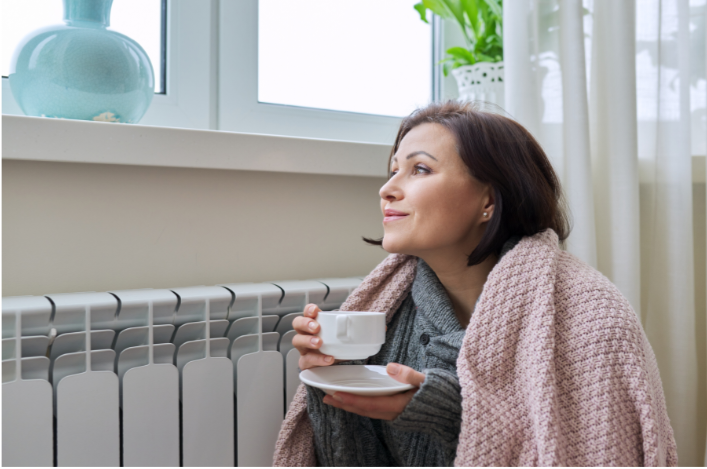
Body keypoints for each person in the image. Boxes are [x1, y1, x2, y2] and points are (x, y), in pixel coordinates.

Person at [273, 100, 678, 466]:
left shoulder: (592, 320)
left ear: (488, 200)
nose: (386, 189)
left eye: (419, 169)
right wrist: (333, 381)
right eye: (393, 170)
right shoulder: (389, 315)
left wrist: (449, 409)